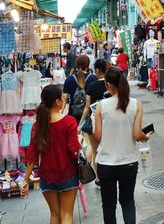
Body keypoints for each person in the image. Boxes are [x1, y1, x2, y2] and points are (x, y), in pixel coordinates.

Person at [94, 67, 150, 224]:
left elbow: (97, 136)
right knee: (127, 201)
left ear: (108, 85)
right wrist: (146, 137)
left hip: (106, 163)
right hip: (129, 162)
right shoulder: (136, 104)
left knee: (109, 205)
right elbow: (137, 135)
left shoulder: (101, 106)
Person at [21, 85, 82, 224]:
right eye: (62, 97)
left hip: (47, 176)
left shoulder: (38, 125)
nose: (63, 99)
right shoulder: (69, 122)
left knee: (54, 215)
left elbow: (32, 154)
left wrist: (25, 180)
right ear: (57, 102)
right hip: (67, 173)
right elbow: (73, 149)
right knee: (66, 215)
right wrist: (80, 141)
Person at [79, 59, 109, 186]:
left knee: (96, 151)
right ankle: (110, 175)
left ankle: (99, 178)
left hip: (95, 122)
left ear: (97, 70)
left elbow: (87, 107)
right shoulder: (111, 84)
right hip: (110, 121)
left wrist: (80, 124)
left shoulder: (91, 86)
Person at [63, 55, 97, 121]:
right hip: (89, 115)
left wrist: (61, 114)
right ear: (88, 65)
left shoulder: (69, 79)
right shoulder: (93, 78)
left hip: (73, 114)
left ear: (76, 64)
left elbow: (64, 98)